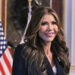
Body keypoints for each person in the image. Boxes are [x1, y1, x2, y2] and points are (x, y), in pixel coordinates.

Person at [12, 7, 70, 75]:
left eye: (54, 23)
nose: (50, 28)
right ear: (36, 27)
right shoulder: (24, 51)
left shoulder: (60, 52)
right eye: (44, 23)